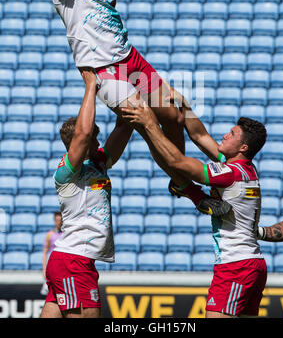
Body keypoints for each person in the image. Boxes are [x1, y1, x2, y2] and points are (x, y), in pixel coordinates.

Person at [47, 0, 229, 217]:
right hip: (101, 70)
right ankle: (190, 189)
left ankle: (173, 179)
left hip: (131, 59)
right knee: (145, 120)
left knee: (173, 116)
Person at [122, 101, 268, 318]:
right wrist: (184, 105)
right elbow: (199, 136)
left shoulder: (230, 174)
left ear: (243, 147)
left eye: (232, 133)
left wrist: (150, 125)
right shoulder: (245, 168)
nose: (225, 135)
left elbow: (176, 161)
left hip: (235, 266)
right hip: (252, 263)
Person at [40, 67, 133, 318]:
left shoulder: (99, 163)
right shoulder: (66, 172)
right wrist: (91, 86)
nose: (98, 143)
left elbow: (123, 129)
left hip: (75, 260)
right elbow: (81, 134)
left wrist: (122, 88)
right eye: (94, 139)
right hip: (74, 260)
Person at [40, 212, 63, 296]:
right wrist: (44, 269)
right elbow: (45, 253)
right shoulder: (50, 234)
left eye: (60, 220)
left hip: (63, 266)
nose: (59, 222)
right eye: (57, 220)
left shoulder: (67, 234)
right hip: (52, 266)